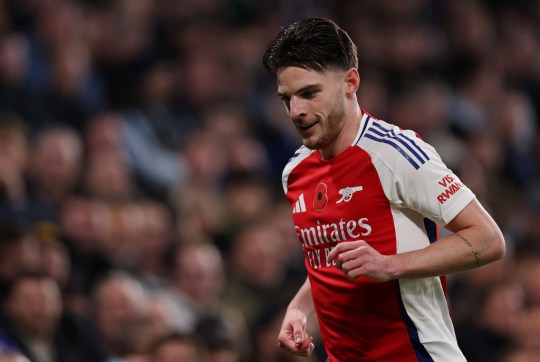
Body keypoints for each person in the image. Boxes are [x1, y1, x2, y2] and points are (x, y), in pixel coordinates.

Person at [262, 17, 506, 361]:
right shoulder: (296, 170)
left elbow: (488, 239)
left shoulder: (396, 153)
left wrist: (390, 265)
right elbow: (328, 263)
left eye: (309, 93)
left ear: (351, 81)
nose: (297, 111)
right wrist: (299, 308)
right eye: (287, 98)